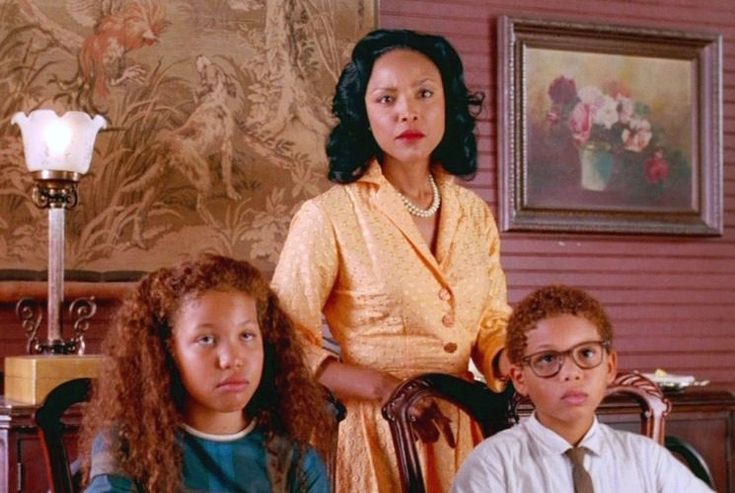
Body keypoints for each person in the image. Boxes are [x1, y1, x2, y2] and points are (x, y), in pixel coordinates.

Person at [271, 29, 511, 492]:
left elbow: (490, 320)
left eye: (425, 93)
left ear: (448, 105)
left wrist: (507, 359)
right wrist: (386, 389)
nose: (408, 111)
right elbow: (283, 343)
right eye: (386, 98)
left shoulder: (474, 214)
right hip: (378, 432)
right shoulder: (329, 216)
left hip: (467, 431)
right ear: (364, 112)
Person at [79, 254, 332, 493]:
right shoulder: (128, 446)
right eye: (207, 339)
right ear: (168, 350)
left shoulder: (298, 464)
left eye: (246, 336)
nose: (231, 359)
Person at [451, 285, 714, 493]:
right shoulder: (493, 465)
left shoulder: (647, 459)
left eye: (586, 353)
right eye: (548, 359)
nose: (571, 373)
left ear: (610, 366)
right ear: (520, 378)